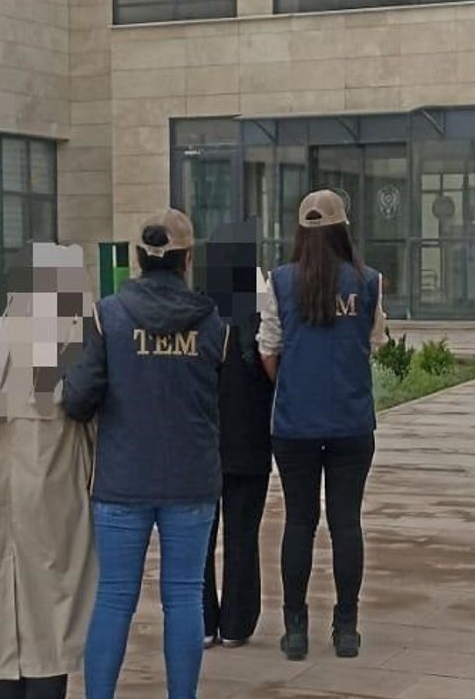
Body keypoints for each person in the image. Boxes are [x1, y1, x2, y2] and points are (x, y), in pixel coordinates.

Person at [63, 209, 228, 699]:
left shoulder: (108, 315)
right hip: (192, 478)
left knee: (114, 597)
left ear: (137, 257)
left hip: (122, 478)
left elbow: (77, 399)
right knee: (184, 596)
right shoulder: (213, 321)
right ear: (188, 259)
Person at [0, 243, 98, 699]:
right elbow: (89, 413)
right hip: (50, 497)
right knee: (51, 618)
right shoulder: (69, 336)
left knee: (0, 616)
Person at [257, 190, 389, 661]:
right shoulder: (368, 281)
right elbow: (375, 341)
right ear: (343, 229)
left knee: (299, 522)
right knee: (346, 522)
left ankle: (295, 630)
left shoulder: (280, 281)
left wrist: (295, 382)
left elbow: (268, 349)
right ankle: (346, 627)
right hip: (351, 421)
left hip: (295, 424)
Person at [202, 220, 274, 650]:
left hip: (203, 444)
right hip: (250, 443)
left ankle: (203, 621)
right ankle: (237, 623)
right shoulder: (262, 316)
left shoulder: (198, 318)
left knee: (200, 539)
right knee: (243, 535)